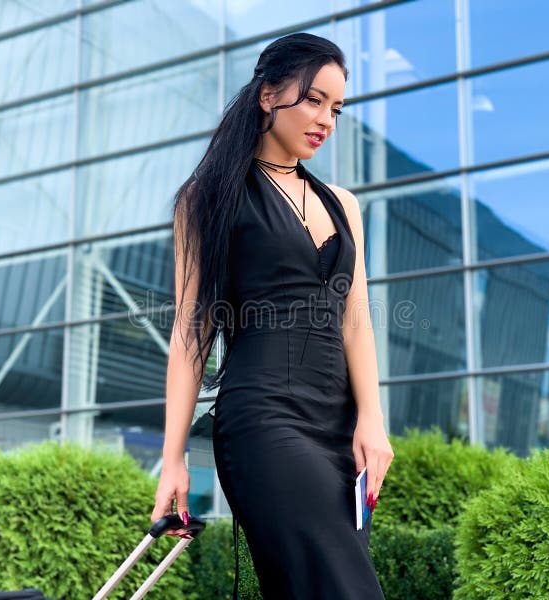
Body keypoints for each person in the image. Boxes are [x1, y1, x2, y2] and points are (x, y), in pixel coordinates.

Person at [150, 32, 394, 599]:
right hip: (263, 420)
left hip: (336, 431)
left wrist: (372, 420)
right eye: (313, 100)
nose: (326, 119)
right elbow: (191, 333)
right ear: (267, 95)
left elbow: (356, 319)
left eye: (336, 107)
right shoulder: (207, 197)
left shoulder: (343, 203)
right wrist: (173, 460)